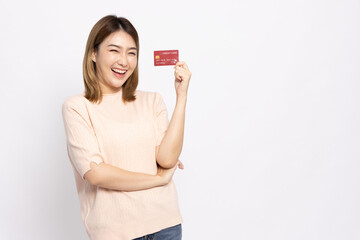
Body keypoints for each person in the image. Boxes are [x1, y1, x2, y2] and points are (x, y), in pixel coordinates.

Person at [61, 15, 191, 240]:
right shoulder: (77, 107)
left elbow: (168, 160)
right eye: (114, 50)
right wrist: (157, 179)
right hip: (114, 233)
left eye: (131, 53)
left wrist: (181, 96)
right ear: (94, 53)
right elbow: (96, 174)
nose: (124, 61)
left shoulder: (152, 101)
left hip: (165, 225)